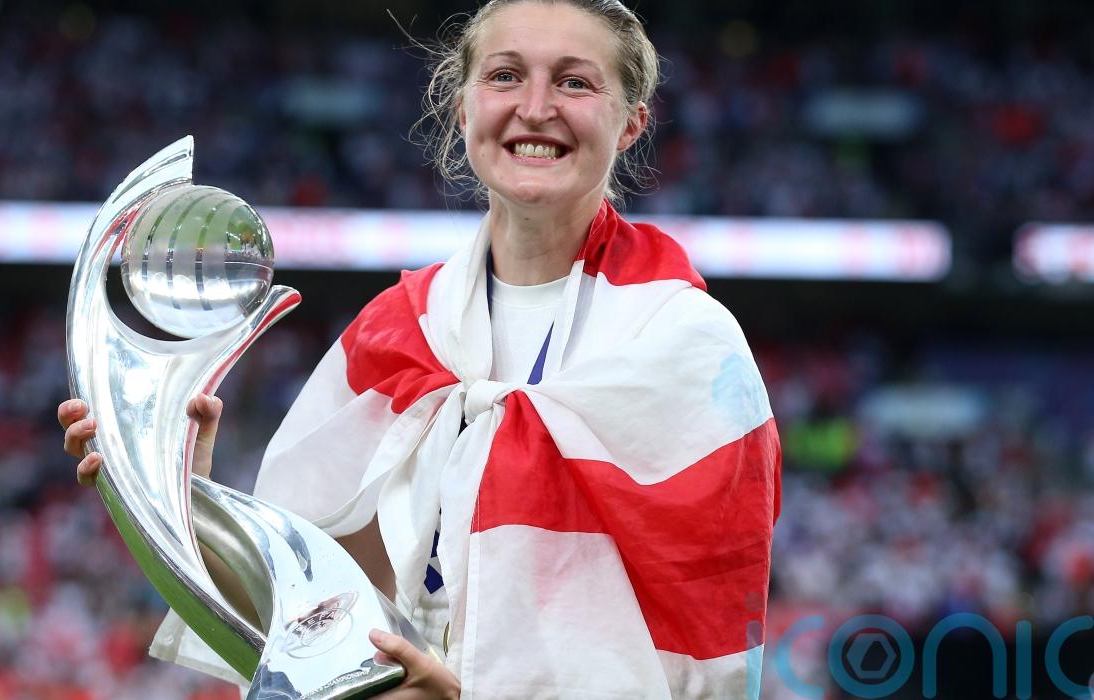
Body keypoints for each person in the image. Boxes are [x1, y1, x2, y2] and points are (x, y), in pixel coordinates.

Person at [60, 1, 781, 697]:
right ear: (463, 110)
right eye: (505, 76)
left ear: (631, 123)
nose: (535, 108)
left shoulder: (686, 344)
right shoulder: (400, 331)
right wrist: (183, 498)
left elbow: (706, 649)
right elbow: (305, 614)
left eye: (574, 82)